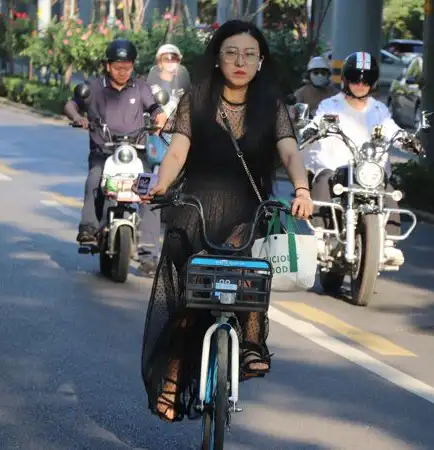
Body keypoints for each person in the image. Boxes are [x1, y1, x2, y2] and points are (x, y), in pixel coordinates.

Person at [139, 19, 314, 422]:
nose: (240, 62)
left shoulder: (271, 105)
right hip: (195, 207)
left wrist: (302, 190)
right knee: (190, 298)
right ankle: (172, 377)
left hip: (248, 210)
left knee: (247, 269)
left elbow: (290, 153)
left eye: (249, 54)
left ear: (260, 61)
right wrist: (162, 184)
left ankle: (251, 345)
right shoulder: (196, 98)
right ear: (218, 58)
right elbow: (177, 152)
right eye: (231, 53)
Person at [304, 51, 422, 267]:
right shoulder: (331, 105)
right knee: (323, 179)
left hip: (368, 170)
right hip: (337, 166)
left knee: (387, 189)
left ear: (372, 83)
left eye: (365, 80)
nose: (360, 84)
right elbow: (318, 121)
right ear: (346, 80)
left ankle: (389, 243)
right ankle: (319, 236)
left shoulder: (379, 110)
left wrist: (407, 140)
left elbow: (392, 130)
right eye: (355, 79)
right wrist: (311, 130)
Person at [63, 38, 168, 274]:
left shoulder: (140, 87)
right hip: (104, 152)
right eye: (118, 67)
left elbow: (156, 109)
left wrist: (160, 119)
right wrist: (78, 118)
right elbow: (71, 104)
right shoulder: (94, 87)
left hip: (135, 152)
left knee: (150, 192)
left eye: (127, 67)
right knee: (94, 179)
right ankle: (89, 228)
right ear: (108, 65)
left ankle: (149, 253)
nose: (123, 72)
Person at [146, 43, 191, 117]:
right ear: (160, 62)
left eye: (173, 59)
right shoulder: (153, 84)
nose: (170, 62)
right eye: (166, 59)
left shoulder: (183, 77)